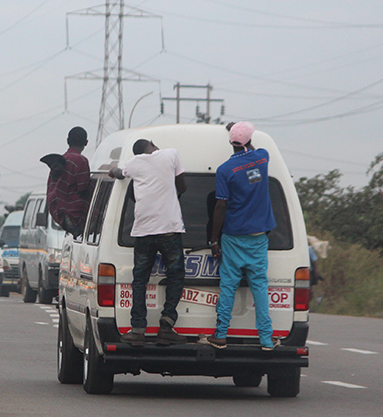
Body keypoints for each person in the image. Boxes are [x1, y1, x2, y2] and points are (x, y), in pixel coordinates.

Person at [200, 121, 278, 350]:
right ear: (250, 140)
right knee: (260, 286)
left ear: (231, 143)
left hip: (233, 236)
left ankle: (221, 334)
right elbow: (253, 151)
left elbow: (220, 206)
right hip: (258, 237)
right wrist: (236, 127)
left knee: (228, 286)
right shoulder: (263, 158)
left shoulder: (225, 170)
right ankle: (266, 338)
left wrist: (214, 240)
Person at [109, 139, 188, 346]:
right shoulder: (171, 153)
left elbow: (119, 174)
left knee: (140, 280)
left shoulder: (134, 164)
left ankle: (137, 329)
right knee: (176, 275)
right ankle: (167, 325)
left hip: (143, 231)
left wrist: (112, 169)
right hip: (169, 229)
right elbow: (183, 186)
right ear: (153, 144)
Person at [44, 126, 91, 238]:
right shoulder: (80, 161)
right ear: (86, 142)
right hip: (75, 216)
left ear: (67, 141)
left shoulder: (59, 161)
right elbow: (83, 188)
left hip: (60, 213)